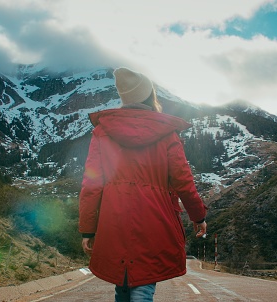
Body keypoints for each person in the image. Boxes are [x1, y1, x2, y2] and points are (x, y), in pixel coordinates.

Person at [79, 67, 208, 302]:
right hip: (154, 218)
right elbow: (184, 181)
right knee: (143, 285)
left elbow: (91, 185)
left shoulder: (102, 131)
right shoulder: (167, 133)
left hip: (113, 220)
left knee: (123, 283)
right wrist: (198, 217)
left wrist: (88, 229)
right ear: (150, 95)